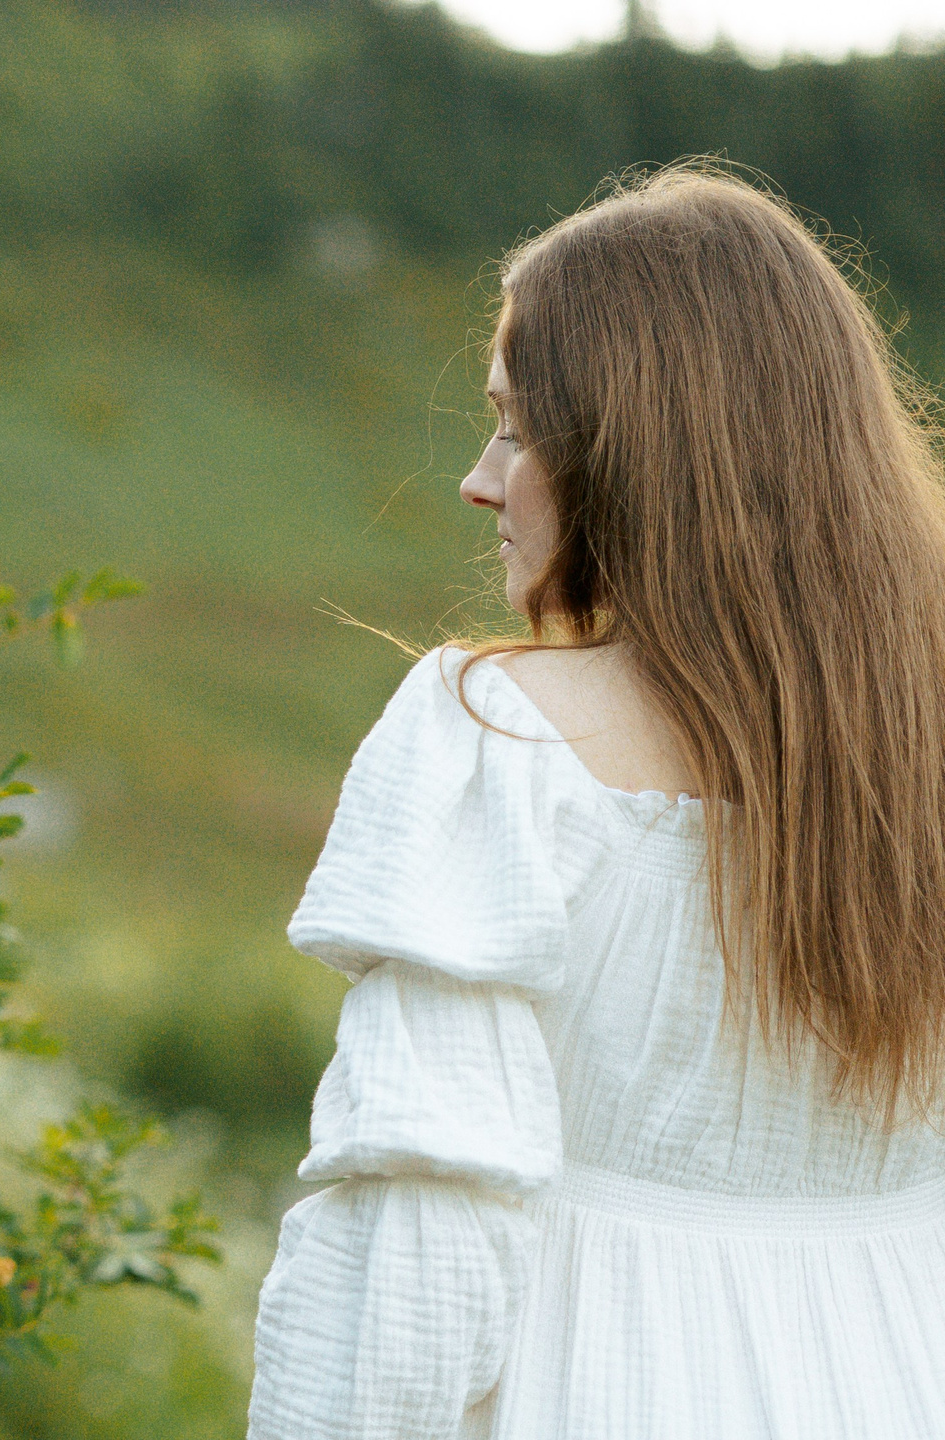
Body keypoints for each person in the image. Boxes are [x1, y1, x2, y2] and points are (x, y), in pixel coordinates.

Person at [248, 162, 945, 1439]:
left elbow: (418, 1237)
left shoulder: (491, 733)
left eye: (517, 428)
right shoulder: (918, 765)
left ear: (641, 449)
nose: (478, 477)